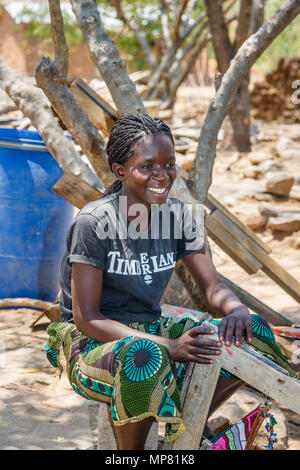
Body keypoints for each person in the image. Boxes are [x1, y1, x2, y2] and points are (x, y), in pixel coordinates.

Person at [45, 113, 297, 450]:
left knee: (254, 331)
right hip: (90, 342)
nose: (162, 176)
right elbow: (86, 318)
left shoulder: (179, 217)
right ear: (120, 170)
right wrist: (169, 347)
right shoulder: (95, 222)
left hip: (149, 326)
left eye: (169, 164)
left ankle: (183, 433)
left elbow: (212, 287)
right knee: (145, 357)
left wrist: (236, 309)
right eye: (147, 167)